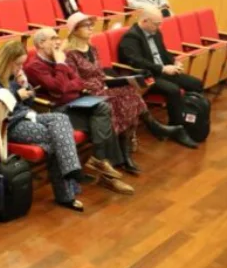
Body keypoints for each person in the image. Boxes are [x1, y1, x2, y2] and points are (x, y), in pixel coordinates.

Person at [64, 12, 181, 174]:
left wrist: (109, 80)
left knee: (130, 90)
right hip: (87, 93)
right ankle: (151, 130)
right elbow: (75, 81)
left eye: (91, 25)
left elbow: (99, 72)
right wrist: (101, 84)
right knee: (124, 100)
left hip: (102, 86)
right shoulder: (69, 54)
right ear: (75, 30)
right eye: (86, 25)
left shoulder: (92, 48)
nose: (91, 28)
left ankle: (127, 152)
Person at [0, 40, 85, 212]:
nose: (20, 68)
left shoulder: (15, 77)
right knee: (58, 139)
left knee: (61, 119)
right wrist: (16, 95)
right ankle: (67, 191)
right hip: (12, 124)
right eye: (18, 64)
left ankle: (71, 170)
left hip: (29, 116)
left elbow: (30, 101)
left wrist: (25, 86)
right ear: (7, 61)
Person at [25, 28, 136, 193]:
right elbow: (60, 87)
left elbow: (79, 82)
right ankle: (106, 173)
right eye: (53, 38)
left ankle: (99, 160)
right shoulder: (34, 66)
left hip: (75, 103)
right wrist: (61, 66)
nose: (58, 41)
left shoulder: (59, 59)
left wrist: (65, 83)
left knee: (104, 108)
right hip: (56, 112)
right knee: (103, 119)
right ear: (41, 44)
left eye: (58, 37)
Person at [117, 7, 203, 148]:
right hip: (147, 76)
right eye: (156, 23)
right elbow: (137, 61)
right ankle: (177, 128)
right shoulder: (131, 37)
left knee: (196, 84)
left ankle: (191, 121)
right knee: (173, 90)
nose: (159, 26)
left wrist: (173, 61)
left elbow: (162, 52)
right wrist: (162, 68)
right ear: (145, 21)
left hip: (163, 71)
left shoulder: (155, 32)